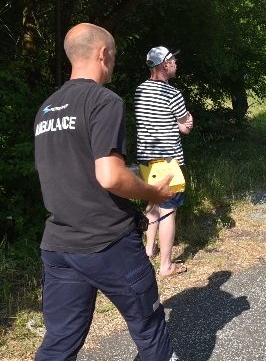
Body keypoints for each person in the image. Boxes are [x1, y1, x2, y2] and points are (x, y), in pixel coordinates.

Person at [33, 23, 176, 360]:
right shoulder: (103, 100)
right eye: (112, 54)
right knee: (150, 328)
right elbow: (109, 177)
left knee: (60, 341)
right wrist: (150, 193)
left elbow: (66, 170)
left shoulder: (47, 108)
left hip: (58, 246)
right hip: (108, 243)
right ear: (102, 54)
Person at [135, 46, 194, 277]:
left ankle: (149, 250)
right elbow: (185, 127)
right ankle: (167, 266)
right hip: (169, 161)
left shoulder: (140, 90)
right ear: (165, 64)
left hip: (146, 160)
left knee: (152, 205)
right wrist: (188, 122)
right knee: (168, 211)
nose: (176, 63)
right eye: (173, 60)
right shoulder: (173, 94)